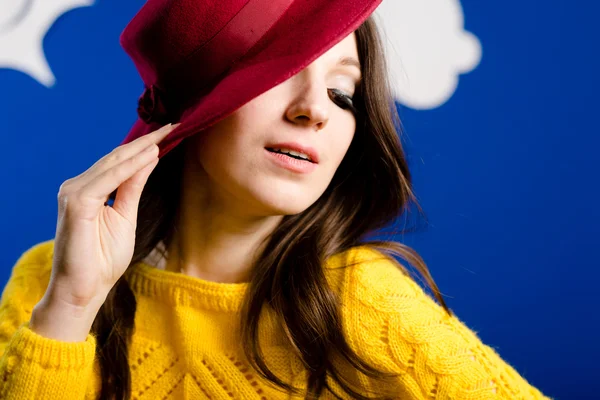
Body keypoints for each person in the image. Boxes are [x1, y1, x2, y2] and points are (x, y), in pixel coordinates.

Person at [0, 0, 551, 399]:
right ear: (192, 112)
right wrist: (69, 310)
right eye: (281, 74)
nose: (315, 109)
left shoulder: (358, 299)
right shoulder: (45, 282)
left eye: (343, 93)